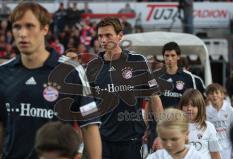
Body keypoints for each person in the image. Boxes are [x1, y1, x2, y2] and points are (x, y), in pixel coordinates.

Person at [0, 2, 101, 159]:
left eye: (29, 26)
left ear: (45, 29)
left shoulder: (71, 70)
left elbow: (89, 125)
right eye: (17, 27)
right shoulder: (3, 73)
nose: (22, 33)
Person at [87, 17, 163, 159]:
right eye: (100, 36)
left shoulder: (137, 61)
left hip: (131, 141)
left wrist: (162, 134)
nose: (103, 40)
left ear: (120, 36)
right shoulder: (93, 67)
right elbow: (87, 104)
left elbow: (154, 98)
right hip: (103, 141)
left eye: (108, 35)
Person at [179, 89, 221, 159]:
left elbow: (215, 154)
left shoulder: (209, 127)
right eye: (186, 105)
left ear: (200, 107)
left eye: (193, 105)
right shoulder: (175, 127)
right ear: (181, 107)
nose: (189, 108)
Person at [206, 83, 233, 159]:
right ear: (208, 96)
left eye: (217, 93)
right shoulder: (206, 111)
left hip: (227, 145)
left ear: (222, 95)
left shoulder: (229, 109)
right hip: (213, 145)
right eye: (211, 93)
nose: (214, 95)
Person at [159, 41, 195, 108]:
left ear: (178, 56)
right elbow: (150, 101)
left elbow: (193, 100)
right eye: (167, 55)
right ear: (163, 57)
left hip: (180, 117)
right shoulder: (157, 77)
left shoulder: (188, 76)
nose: (169, 59)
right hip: (162, 117)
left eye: (173, 55)